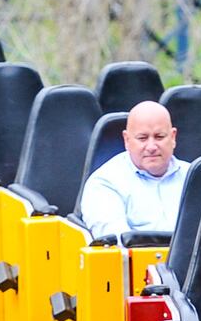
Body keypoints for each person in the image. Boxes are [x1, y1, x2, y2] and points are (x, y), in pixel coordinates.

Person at [78, 99, 190, 241]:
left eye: (159, 137)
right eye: (142, 138)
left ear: (173, 137)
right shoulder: (104, 183)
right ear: (127, 140)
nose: (151, 146)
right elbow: (117, 245)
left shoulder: (195, 178)